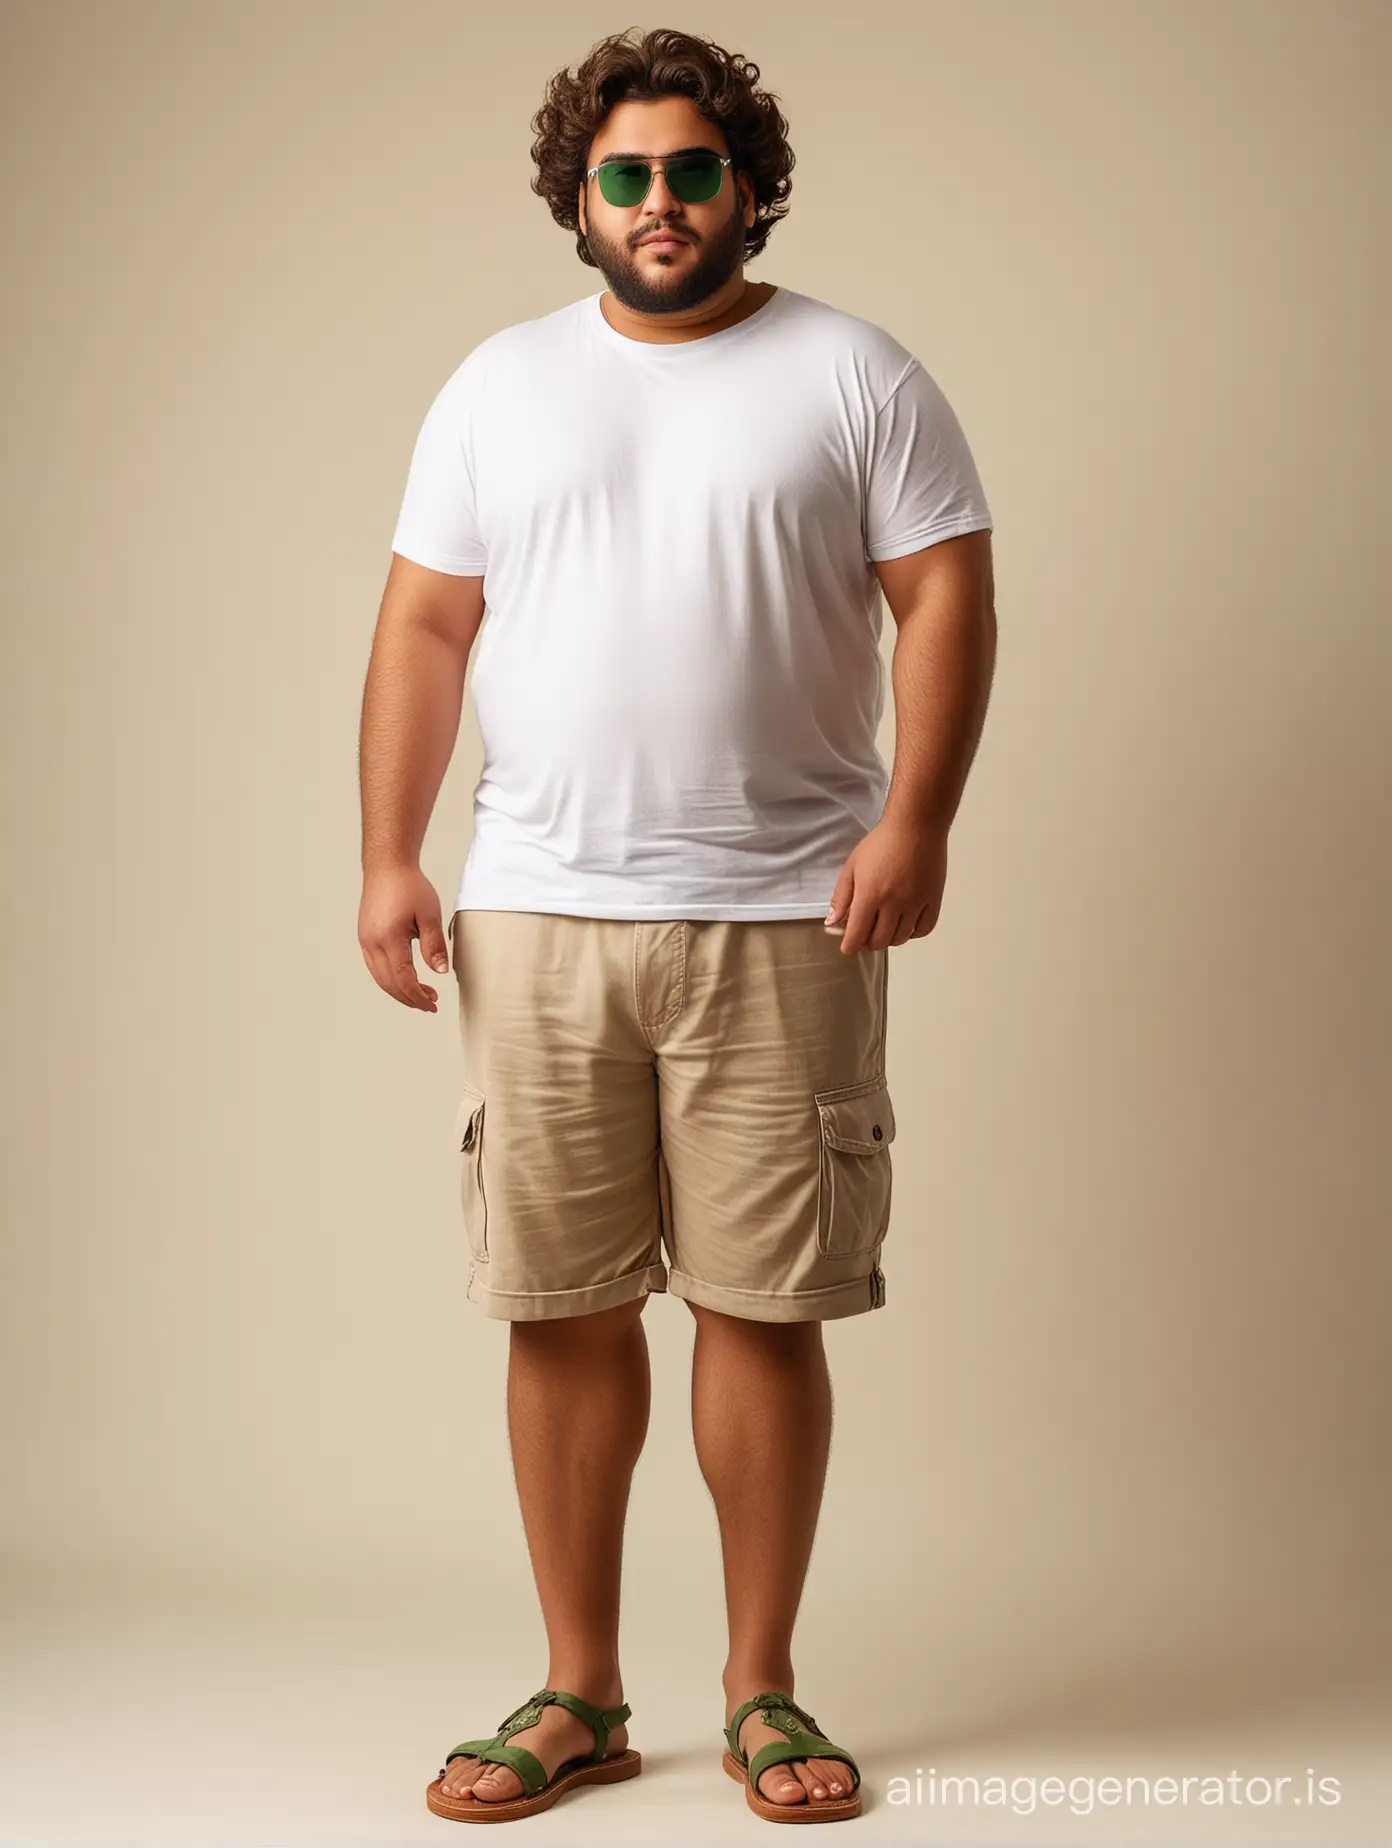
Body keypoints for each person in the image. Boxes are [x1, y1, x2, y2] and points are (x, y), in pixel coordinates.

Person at [358, 24, 996, 1828]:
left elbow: (944, 589)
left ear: (746, 184)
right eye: (626, 173)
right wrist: (386, 854)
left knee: (759, 1302)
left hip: (788, 912)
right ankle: (579, 1691)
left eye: (692, 169)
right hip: (539, 912)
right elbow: (423, 629)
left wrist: (916, 817)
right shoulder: (498, 386)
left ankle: (763, 1693)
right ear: (580, 195)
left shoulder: (856, 374)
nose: (660, 201)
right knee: (558, 1309)